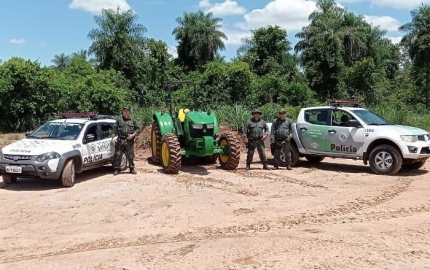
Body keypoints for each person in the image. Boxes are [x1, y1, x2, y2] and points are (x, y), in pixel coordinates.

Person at [112, 106, 140, 175]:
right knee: (118, 154)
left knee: (130, 155)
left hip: (129, 140)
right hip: (120, 140)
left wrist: (133, 135)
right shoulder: (119, 120)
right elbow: (114, 129)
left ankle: (132, 168)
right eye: (125, 111)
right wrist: (112, 137)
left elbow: (138, 129)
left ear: (130, 112)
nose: (126, 113)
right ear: (123, 112)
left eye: (127, 111)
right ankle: (117, 169)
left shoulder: (133, 120)